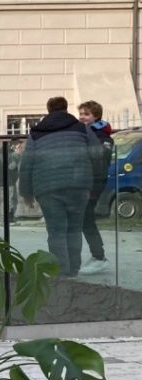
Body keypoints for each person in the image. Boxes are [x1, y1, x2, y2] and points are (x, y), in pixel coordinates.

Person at [18, 96, 99, 277]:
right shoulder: (83, 129)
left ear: (48, 110)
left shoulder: (36, 134)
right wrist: (94, 182)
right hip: (78, 185)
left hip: (48, 188)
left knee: (56, 230)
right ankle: (74, 269)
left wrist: (26, 193)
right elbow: (97, 154)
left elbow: (27, 164)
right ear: (65, 108)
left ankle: (60, 270)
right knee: (74, 229)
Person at [78, 100, 115, 275]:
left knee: (86, 217)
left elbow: (101, 157)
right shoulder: (84, 133)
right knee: (85, 218)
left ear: (96, 116)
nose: (82, 117)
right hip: (84, 180)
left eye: (86, 114)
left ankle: (100, 258)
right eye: (81, 114)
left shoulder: (102, 136)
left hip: (95, 181)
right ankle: (98, 255)